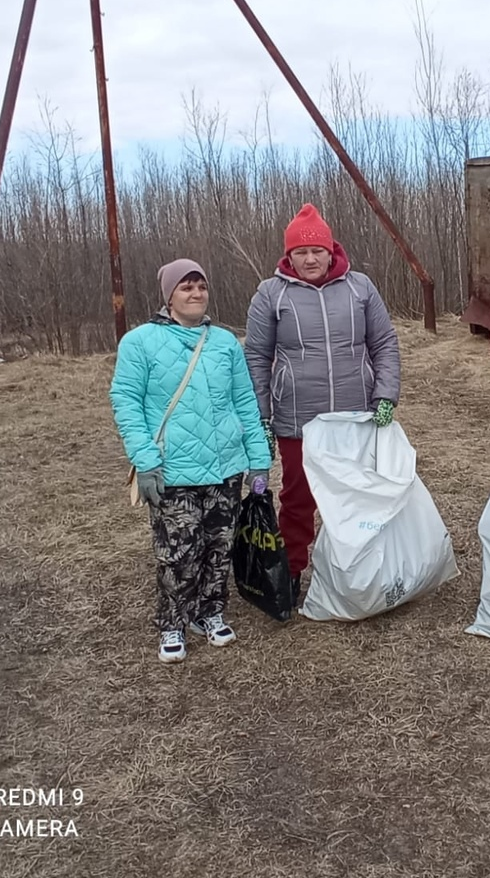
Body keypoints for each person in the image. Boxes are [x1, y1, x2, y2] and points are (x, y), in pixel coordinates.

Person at [110, 259, 271, 663]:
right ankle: (172, 622)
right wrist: (145, 460)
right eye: (186, 287)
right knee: (178, 552)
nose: (196, 293)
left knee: (219, 547)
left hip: (225, 467)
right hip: (171, 469)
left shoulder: (225, 343)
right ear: (169, 296)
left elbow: (245, 403)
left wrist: (259, 460)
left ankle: (210, 612)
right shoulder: (139, 342)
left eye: (201, 285)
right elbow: (126, 403)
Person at [245, 203, 401, 603]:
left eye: (317, 251)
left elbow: (383, 343)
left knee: (356, 496)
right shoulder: (271, 294)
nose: (310, 259)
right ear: (289, 255)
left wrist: (385, 394)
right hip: (298, 420)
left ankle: (357, 571)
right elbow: (257, 357)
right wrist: (261, 415)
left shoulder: (360, 287)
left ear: (332, 250)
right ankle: (293, 572)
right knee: (298, 498)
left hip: (354, 417)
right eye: (301, 252)